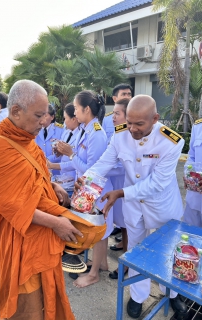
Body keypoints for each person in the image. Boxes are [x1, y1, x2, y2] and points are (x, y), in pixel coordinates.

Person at [0, 79, 81, 320]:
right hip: (19, 241)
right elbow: (10, 205)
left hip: (40, 236)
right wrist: (56, 223)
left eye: (45, 115)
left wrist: (51, 184)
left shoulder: (27, 139)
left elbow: (34, 174)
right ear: (15, 112)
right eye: (39, 115)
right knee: (29, 307)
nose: (44, 121)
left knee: (48, 298)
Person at [75, 95, 187, 318]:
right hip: (134, 207)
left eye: (139, 124)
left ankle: (173, 294)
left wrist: (121, 193)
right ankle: (138, 296)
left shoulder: (171, 141)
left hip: (162, 206)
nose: (132, 129)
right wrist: (86, 180)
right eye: (130, 122)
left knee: (169, 251)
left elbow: (157, 183)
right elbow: (104, 163)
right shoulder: (120, 136)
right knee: (136, 250)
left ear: (154, 118)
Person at [55, 90, 113, 288]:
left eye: (77, 108)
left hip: (95, 190)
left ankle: (94, 273)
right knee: (97, 230)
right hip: (88, 189)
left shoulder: (96, 133)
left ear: (86, 109)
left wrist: (71, 154)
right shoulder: (86, 129)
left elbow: (93, 170)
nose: (75, 113)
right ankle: (102, 263)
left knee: (97, 230)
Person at [102, 84, 133, 255]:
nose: (128, 96)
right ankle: (125, 247)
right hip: (115, 180)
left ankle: (128, 255)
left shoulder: (140, 132)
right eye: (124, 94)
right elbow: (107, 156)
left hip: (128, 183)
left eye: (130, 94)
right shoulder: (115, 128)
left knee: (129, 221)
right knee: (122, 218)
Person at [107, 99, 129, 280]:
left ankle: (128, 263)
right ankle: (125, 249)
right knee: (122, 222)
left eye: (117, 114)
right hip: (117, 185)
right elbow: (106, 161)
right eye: (113, 113)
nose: (113, 117)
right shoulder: (118, 134)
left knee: (128, 224)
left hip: (125, 186)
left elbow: (123, 167)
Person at [47, 103, 80, 180]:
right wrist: (58, 152)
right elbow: (63, 155)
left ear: (73, 119)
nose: (64, 122)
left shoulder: (80, 135)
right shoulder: (66, 132)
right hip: (64, 177)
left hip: (74, 177)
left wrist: (52, 165)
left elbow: (76, 162)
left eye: (65, 118)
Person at [183, 117, 202, 227]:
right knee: (190, 236)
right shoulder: (199, 126)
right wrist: (188, 174)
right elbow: (191, 155)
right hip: (195, 195)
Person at [35, 104, 64, 174]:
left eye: (45, 115)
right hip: (40, 169)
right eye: (41, 115)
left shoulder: (61, 130)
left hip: (56, 171)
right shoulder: (35, 129)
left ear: (52, 117)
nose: (42, 118)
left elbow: (63, 152)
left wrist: (47, 160)